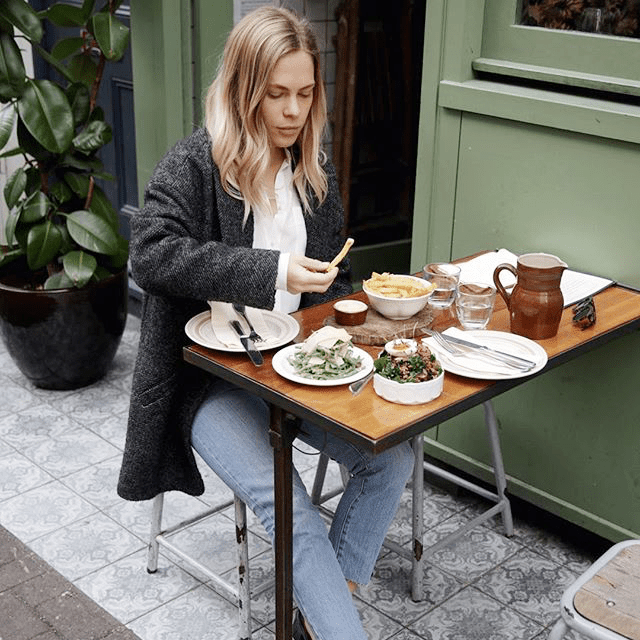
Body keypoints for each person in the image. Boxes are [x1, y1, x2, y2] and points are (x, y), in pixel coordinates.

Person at [117, 7, 414, 639]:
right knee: (291, 509)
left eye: (305, 94)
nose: (292, 111)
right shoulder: (196, 164)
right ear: (243, 90)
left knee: (392, 455)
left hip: (292, 370)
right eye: (276, 94)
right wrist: (272, 271)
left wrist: (362, 315)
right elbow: (151, 253)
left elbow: (333, 282)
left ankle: (315, 617)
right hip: (213, 380)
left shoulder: (314, 174)